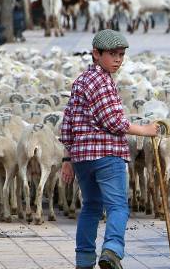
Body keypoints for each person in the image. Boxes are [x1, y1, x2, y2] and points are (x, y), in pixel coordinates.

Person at [60, 29, 160, 269]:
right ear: (96, 53)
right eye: (112, 54)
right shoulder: (102, 81)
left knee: (91, 206)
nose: (118, 59)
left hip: (83, 158)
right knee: (117, 206)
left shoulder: (81, 80)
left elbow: (68, 119)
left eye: (121, 55)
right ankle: (112, 251)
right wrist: (145, 130)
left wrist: (67, 157)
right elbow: (113, 121)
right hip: (107, 154)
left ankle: (84, 260)